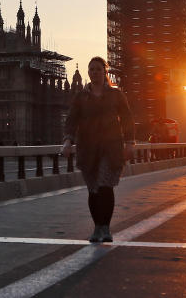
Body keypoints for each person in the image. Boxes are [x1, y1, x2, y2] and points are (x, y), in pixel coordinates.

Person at [61, 56, 134, 244]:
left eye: (98, 69)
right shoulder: (81, 97)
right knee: (93, 189)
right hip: (88, 149)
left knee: (105, 186)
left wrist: (129, 143)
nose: (95, 72)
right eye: (91, 69)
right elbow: (71, 119)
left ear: (105, 72)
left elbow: (126, 119)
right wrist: (68, 140)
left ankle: (106, 227)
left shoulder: (116, 95)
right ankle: (97, 227)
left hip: (110, 149)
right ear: (88, 73)